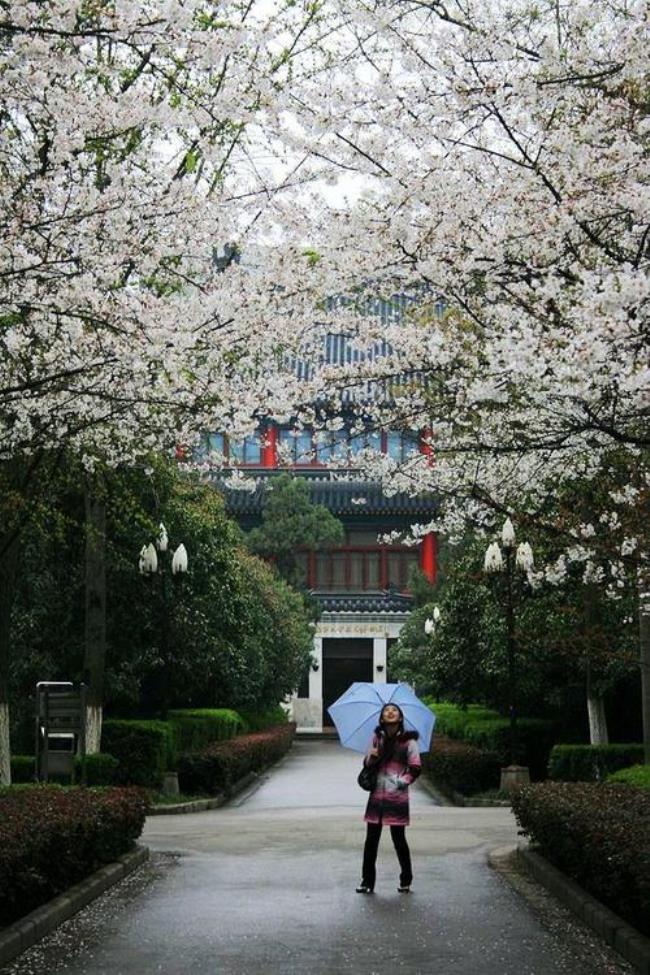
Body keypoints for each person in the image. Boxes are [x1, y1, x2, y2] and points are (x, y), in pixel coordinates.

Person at [356, 702, 421, 894]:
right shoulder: (377, 739)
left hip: (397, 799)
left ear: (400, 718)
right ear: (382, 718)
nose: (390, 712)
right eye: (386, 711)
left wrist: (400, 782)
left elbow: (416, 767)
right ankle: (367, 882)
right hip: (376, 797)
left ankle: (406, 879)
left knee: (399, 840)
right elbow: (367, 763)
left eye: (394, 710)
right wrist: (372, 757)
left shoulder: (409, 742)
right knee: (371, 842)